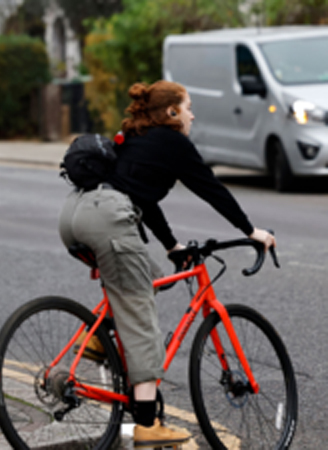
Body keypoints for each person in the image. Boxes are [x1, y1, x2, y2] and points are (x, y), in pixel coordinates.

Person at [58, 80, 276, 448]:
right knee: (141, 317)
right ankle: (147, 424)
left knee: (143, 277)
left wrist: (172, 245)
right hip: (109, 218)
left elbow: (142, 201)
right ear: (172, 112)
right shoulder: (174, 143)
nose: (193, 114)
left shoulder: (140, 140)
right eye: (188, 106)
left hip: (75, 213)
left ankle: (96, 340)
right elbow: (211, 189)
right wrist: (250, 230)